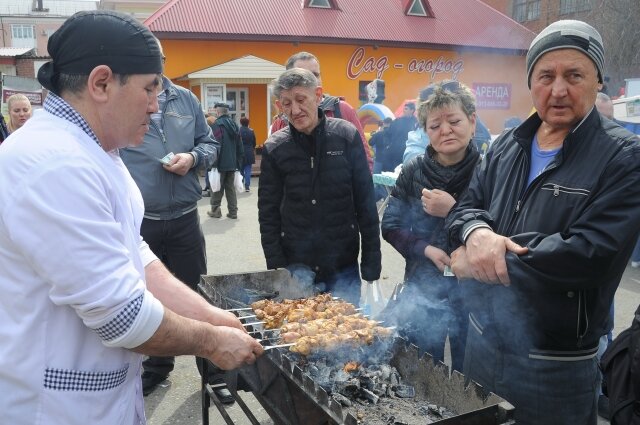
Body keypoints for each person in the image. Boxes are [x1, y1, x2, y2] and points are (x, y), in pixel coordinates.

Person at [0, 11, 263, 425]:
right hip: (57, 409)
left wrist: (211, 314)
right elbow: (122, 316)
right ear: (101, 83)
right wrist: (211, 341)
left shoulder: (99, 150)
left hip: (102, 397)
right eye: (149, 89)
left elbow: (133, 252)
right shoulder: (52, 165)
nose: (157, 107)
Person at [446, 20, 640, 425]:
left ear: (597, 81)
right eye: (546, 76)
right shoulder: (506, 145)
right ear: (530, 81)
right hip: (480, 344)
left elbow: (589, 253)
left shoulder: (623, 156)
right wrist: (476, 232)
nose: (558, 90)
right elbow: (465, 208)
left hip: (555, 364)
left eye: (574, 75)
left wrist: (477, 262)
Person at [119, 39, 228, 398]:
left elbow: (210, 144)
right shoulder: (127, 97)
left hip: (183, 217)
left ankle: (213, 372)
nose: (156, 65)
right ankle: (157, 366)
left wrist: (193, 158)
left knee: (196, 293)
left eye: (160, 59)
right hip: (143, 222)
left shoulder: (186, 99)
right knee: (148, 297)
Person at [258, 68, 381, 305]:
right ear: (279, 105)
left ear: (318, 95)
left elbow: (366, 203)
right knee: (300, 333)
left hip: (342, 262)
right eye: (286, 103)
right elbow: (268, 214)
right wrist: (277, 270)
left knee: (346, 332)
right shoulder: (275, 148)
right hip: (296, 265)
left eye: (301, 100)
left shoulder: (346, 136)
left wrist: (371, 264)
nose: (294, 110)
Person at [381, 81, 480, 372]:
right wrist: (425, 249)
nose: (445, 130)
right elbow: (390, 224)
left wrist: (453, 210)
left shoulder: (489, 170)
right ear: (425, 131)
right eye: (435, 125)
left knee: (469, 374)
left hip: (473, 292)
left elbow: (503, 227)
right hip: (422, 288)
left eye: (454, 121)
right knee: (423, 370)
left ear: (472, 122)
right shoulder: (414, 171)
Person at [270, 51, 373, 172]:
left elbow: (364, 161)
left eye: (316, 74)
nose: (312, 79)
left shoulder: (342, 109)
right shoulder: (280, 123)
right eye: (303, 75)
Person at [207, 102, 243, 219]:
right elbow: (240, 145)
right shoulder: (235, 125)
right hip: (232, 163)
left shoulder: (217, 125)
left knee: (216, 187)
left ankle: (215, 210)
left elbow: (215, 145)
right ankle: (233, 212)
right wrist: (239, 162)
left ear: (218, 112)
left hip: (220, 162)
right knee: (230, 188)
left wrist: (212, 163)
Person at [383, 102, 417, 171]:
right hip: (394, 153)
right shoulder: (397, 121)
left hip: (407, 153)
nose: (404, 110)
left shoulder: (416, 123)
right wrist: (387, 145)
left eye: (406, 109)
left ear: (412, 110)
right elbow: (387, 134)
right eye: (404, 109)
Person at [240, 116, 256, 192]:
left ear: (240, 122)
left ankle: (240, 185)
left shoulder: (238, 131)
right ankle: (247, 186)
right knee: (248, 170)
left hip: (240, 152)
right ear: (248, 123)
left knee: (241, 169)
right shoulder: (251, 131)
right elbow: (254, 143)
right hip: (249, 152)